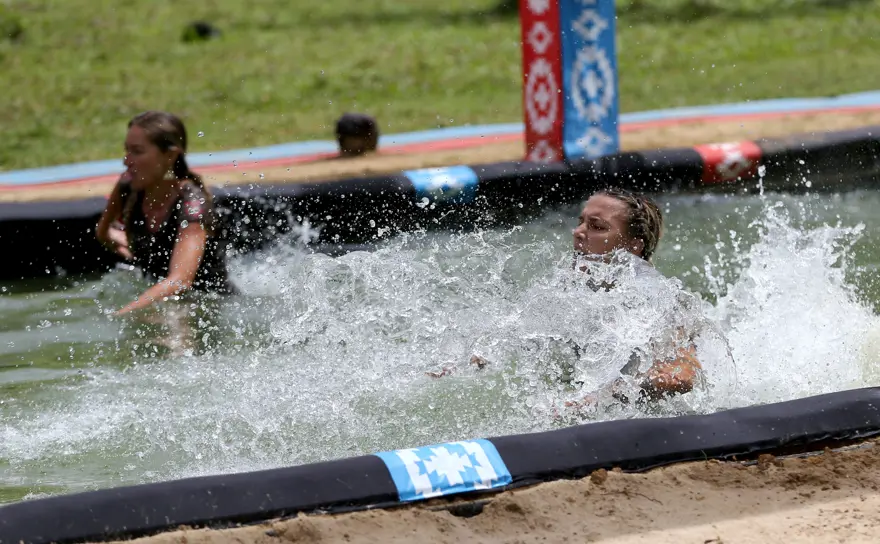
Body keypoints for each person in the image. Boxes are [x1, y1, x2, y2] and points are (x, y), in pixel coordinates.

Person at [427, 187, 703, 409]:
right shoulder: (571, 287)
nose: (579, 232)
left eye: (597, 226)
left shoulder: (656, 298)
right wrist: (467, 363)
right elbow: (517, 334)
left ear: (633, 246)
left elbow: (682, 375)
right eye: (581, 222)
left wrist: (605, 393)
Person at [96, 110, 237, 316]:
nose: (127, 161)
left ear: (170, 155)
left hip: (208, 308)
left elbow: (180, 281)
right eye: (127, 151)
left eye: (137, 151)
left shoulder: (193, 206)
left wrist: (122, 314)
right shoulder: (128, 186)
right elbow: (103, 231)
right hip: (159, 302)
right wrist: (126, 245)